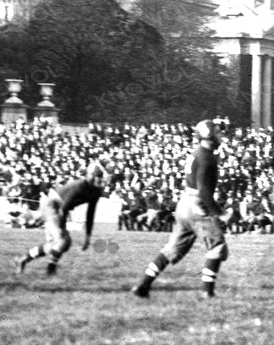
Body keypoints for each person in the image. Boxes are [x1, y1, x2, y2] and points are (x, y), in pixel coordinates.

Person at [132, 120, 228, 299]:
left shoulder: (198, 153)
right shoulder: (207, 157)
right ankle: (208, 292)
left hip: (184, 203)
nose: (220, 135)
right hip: (197, 205)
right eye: (217, 132)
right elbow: (204, 191)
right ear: (209, 135)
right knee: (217, 246)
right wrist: (220, 212)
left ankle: (143, 285)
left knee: (171, 248)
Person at [17, 168, 109, 277]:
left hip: (60, 209)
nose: (98, 180)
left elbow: (90, 213)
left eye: (99, 177)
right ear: (90, 176)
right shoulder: (80, 186)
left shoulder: (96, 191)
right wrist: (60, 227)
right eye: (96, 176)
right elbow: (65, 207)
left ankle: (23, 259)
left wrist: (88, 236)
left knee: (58, 244)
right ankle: (50, 270)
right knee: (62, 240)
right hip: (53, 206)